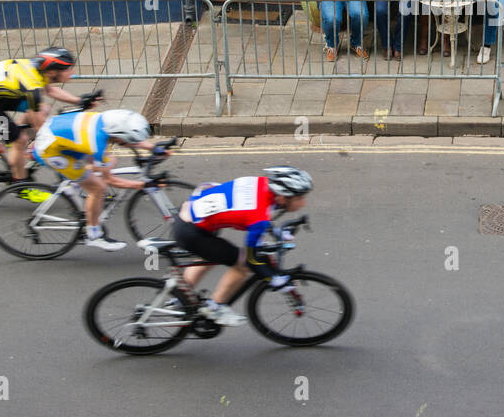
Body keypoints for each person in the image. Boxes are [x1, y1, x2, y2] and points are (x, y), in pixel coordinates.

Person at [172, 166, 313, 326]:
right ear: (281, 198)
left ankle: (180, 299)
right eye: (299, 198)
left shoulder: (261, 183)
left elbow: (256, 212)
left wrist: (277, 233)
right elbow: (252, 258)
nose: (303, 203)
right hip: (192, 232)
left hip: (190, 217)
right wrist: (274, 279)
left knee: (208, 257)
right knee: (242, 265)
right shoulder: (259, 217)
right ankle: (215, 307)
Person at [0, 48, 91, 189]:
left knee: (44, 108)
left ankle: (9, 134)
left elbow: (50, 90)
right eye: (67, 69)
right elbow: (40, 128)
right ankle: (20, 185)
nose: (71, 72)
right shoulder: (32, 86)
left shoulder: (37, 70)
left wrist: (80, 101)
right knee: (20, 140)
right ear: (53, 71)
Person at [30, 108, 154, 250]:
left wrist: (153, 148)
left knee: (109, 161)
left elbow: (127, 139)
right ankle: (93, 235)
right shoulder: (96, 144)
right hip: (50, 152)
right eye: (127, 140)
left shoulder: (103, 121)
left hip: (59, 139)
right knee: (98, 188)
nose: (127, 143)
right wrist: (143, 185)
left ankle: (74, 186)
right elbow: (111, 181)